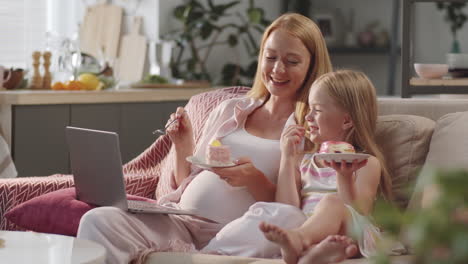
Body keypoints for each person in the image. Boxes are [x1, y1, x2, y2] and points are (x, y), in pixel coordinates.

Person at [76, 13, 332, 264]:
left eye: (292, 61)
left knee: (287, 218)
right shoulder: (230, 109)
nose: (278, 69)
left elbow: (294, 210)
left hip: (242, 233)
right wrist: (182, 144)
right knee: (98, 220)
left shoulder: (311, 126)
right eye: (271, 57)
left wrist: (254, 180)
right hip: (183, 221)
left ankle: (207, 256)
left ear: (311, 66)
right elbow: (186, 181)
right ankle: (195, 253)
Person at [258, 70, 394, 264]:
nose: (308, 117)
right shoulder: (303, 162)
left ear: (346, 120)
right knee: (306, 220)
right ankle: (310, 253)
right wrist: (287, 158)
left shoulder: (366, 163)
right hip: (315, 232)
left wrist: (344, 176)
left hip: (353, 231)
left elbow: (360, 212)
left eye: (317, 110)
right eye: (309, 109)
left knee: (332, 202)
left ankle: (300, 241)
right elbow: (286, 209)